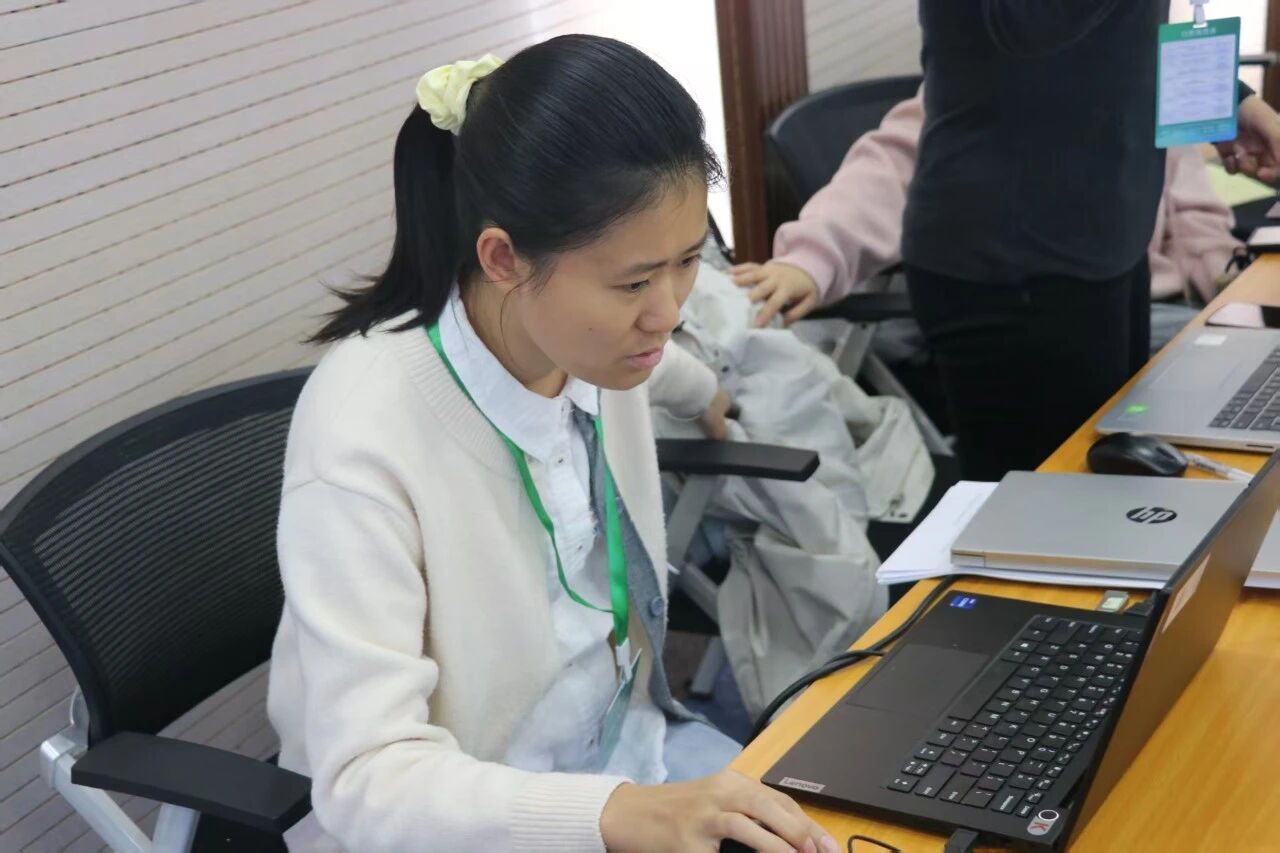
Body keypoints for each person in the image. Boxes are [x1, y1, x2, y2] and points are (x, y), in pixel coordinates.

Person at [265, 35, 839, 853]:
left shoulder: (595, 344)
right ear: (502, 258)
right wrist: (613, 816)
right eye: (634, 281)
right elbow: (368, 778)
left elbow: (668, 364)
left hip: (631, 759)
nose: (667, 311)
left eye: (686, 263)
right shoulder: (364, 430)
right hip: (458, 823)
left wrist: (708, 396)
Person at [742, 3, 1280, 480]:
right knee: (1047, 515)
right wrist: (811, 259)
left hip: (1109, 250)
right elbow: (1029, 31)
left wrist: (1226, 97)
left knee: (1111, 487)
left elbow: (1116, 41)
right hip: (1016, 270)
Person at [731, 86, 1242, 359]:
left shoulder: (1139, 79)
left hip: (1151, 304)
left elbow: (1193, 213)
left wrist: (1227, 280)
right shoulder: (977, 92)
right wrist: (809, 260)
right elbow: (877, 180)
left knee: (1244, 366)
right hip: (1040, 319)